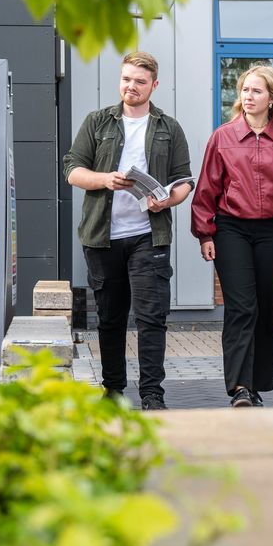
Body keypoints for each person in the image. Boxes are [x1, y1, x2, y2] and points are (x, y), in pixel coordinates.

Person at [63, 51, 192, 410]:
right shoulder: (97, 122)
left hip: (148, 236)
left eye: (139, 81)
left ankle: (152, 394)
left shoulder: (169, 127)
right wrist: (106, 179)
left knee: (152, 317)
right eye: (126, 79)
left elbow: (184, 180)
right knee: (110, 317)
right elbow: (72, 170)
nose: (131, 86)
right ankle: (113, 390)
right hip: (103, 236)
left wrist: (167, 201)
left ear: (154, 85)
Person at [191, 65, 273, 408]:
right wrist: (205, 233)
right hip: (231, 229)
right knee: (242, 307)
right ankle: (240, 386)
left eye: (256, 91)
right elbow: (207, 188)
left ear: (271, 98)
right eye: (244, 90)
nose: (249, 96)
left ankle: (256, 384)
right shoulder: (223, 137)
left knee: (266, 308)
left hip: (272, 232)